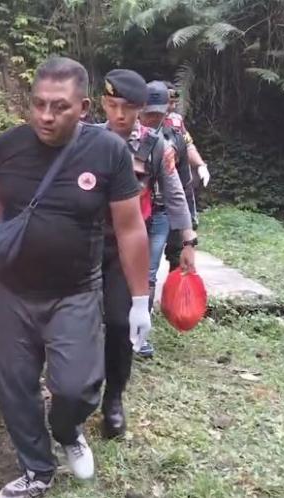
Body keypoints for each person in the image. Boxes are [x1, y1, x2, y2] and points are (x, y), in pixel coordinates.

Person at [0, 57, 151, 497]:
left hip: (74, 292)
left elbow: (131, 227)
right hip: (12, 291)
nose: (45, 115)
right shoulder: (7, 146)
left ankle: (67, 429)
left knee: (76, 388)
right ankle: (37, 470)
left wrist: (139, 300)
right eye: (38, 104)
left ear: (82, 107)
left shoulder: (108, 151)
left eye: (59, 106)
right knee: (16, 388)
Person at [97, 69, 197, 438]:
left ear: (140, 108)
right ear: (103, 103)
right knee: (82, 321)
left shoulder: (156, 146)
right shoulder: (87, 139)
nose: (119, 114)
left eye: (127, 107)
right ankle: (81, 390)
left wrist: (187, 241)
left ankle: (114, 400)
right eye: (112, 105)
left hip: (128, 247)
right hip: (87, 242)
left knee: (122, 324)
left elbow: (174, 194)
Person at [140, 81, 211, 195]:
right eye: (169, 102)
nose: (172, 107)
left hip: (172, 177)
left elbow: (187, 145)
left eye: (174, 103)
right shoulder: (139, 119)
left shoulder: (176, 120)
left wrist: (200, 165)